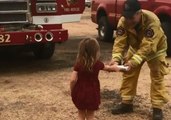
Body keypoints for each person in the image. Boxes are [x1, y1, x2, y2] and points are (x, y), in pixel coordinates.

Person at [110, 0, 170, 120]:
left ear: (139, 13)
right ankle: (126, 103)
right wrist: (116, 59)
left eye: (131, 17)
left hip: (155, 49)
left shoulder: (152, 20)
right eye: (126, 17)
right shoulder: (124, 21)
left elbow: (148, 45)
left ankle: (157, 108)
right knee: (128, 73)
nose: (128, 21)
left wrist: (133, 61)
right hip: (136, 46)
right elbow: (119, 42)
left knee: (157, 76)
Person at [70, 38, 121, 120]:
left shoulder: (78, 64)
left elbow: (73, 80)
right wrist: (116, 67)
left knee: (81, 114)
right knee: (90, 115)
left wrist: (72, 90)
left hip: (80, 93)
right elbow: (108, 68)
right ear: (96, 52)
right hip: (93, 93)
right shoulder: (97, 64)